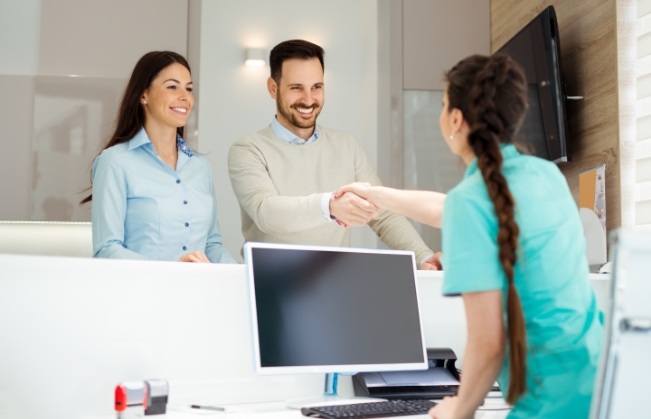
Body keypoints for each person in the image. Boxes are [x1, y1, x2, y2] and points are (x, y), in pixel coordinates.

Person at [338, 53, 603, 418]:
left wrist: (460, 407)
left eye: (444, 103)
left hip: (549, 400)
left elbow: (488, 342)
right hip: (603, 382)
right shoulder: (546, 176)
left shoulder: (473, 200)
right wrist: (377, 195)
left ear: (456, 119)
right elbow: (448, 207)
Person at [228, 39, 440, 269]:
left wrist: (422, 256)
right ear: (273, 88)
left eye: (316, 87)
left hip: (333, 283)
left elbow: (383, 214)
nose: (309, 100)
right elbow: (266, 212)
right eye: (296, 87)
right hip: (268, 283)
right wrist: (329, 206)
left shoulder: (346, 145)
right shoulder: (248, 149)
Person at [80, 51, 235, 264]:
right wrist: (171, 270)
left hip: (198, 293)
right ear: (144, 95)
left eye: (189, 88)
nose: (185, 97)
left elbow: (212, 245)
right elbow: (107, 249)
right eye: (172, 86)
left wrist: (240, 275)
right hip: (143, 293)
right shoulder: (115, 161)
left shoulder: (201, 167)